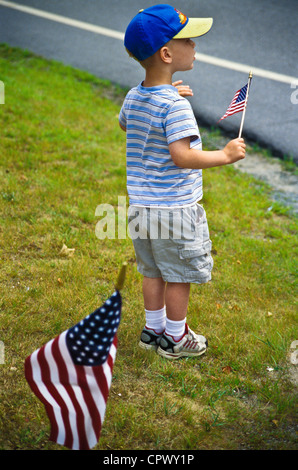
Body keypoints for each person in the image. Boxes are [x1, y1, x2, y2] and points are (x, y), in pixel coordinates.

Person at [119, 5, 246, 360]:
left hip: (141, 208)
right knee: (178, 274)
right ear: (167, 53)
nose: (195, 45)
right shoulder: (174, 107)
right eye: (189, 40)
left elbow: (126, 123)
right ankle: (175, 338)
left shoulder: (135, 96)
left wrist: (163, 92)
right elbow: (182, 156)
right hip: (174, 209)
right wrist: (225, 155)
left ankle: (152, 329)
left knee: (153, 269)